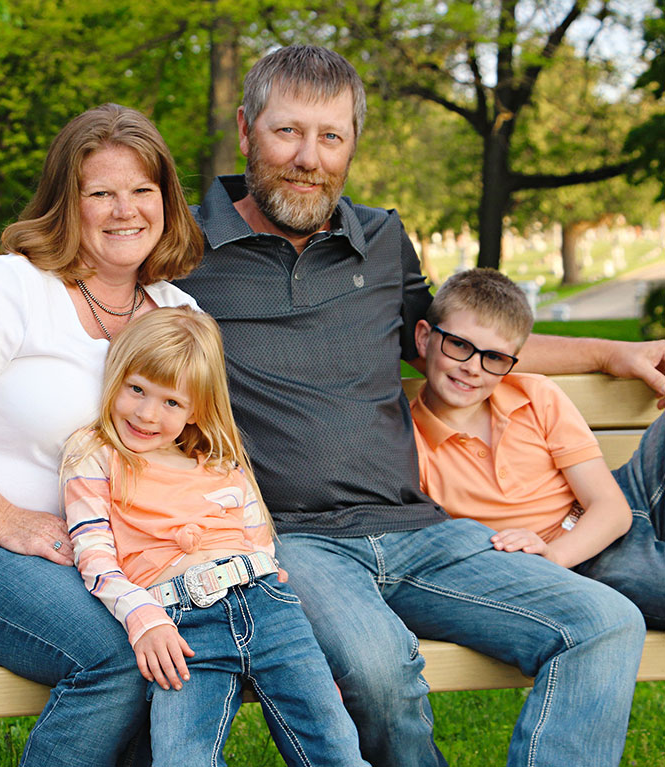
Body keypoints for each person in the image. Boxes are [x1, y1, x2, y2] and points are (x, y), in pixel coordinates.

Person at [174, 44, 656, 767]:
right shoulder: (182, 248)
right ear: (246, 130)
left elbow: (461, 340)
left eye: (331, 136)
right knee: (379, 668)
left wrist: (609, 352)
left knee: (604, 619)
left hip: (420, 529)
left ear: (352, 146)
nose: (309, 156)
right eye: (287, 131)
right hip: (291, 540)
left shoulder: (380, 240)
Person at [0, 103, 203, 767]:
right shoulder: (8, 286)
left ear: (166, 201)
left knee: (176, 643)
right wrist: (4, 517)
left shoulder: (179, 313)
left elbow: (196, 455)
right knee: (120, 653)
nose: (125, 210)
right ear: (66, 203)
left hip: (100, 560)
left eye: (141, 191)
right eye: (101, 193)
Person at [61, 306, 369, 767]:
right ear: (116, 378)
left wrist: (309, 654)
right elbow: (95, 558)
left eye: (171, 402)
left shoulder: (222, 463)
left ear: (195, 411)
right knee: (182, 758)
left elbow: (259, 541)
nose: (146, 414)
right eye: (137, 389)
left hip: (269, 607)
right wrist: (142, 616)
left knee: (333, 746)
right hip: (179, 625)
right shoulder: (96, 454)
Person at [411, 267, 665, 628]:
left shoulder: (533, 395)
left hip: (617, 498)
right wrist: (553, 558)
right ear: (424, 338)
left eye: (494, 358)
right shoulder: (411, 443)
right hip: (581, 560)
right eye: (459, 345)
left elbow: (611, 506)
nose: (472, 368)